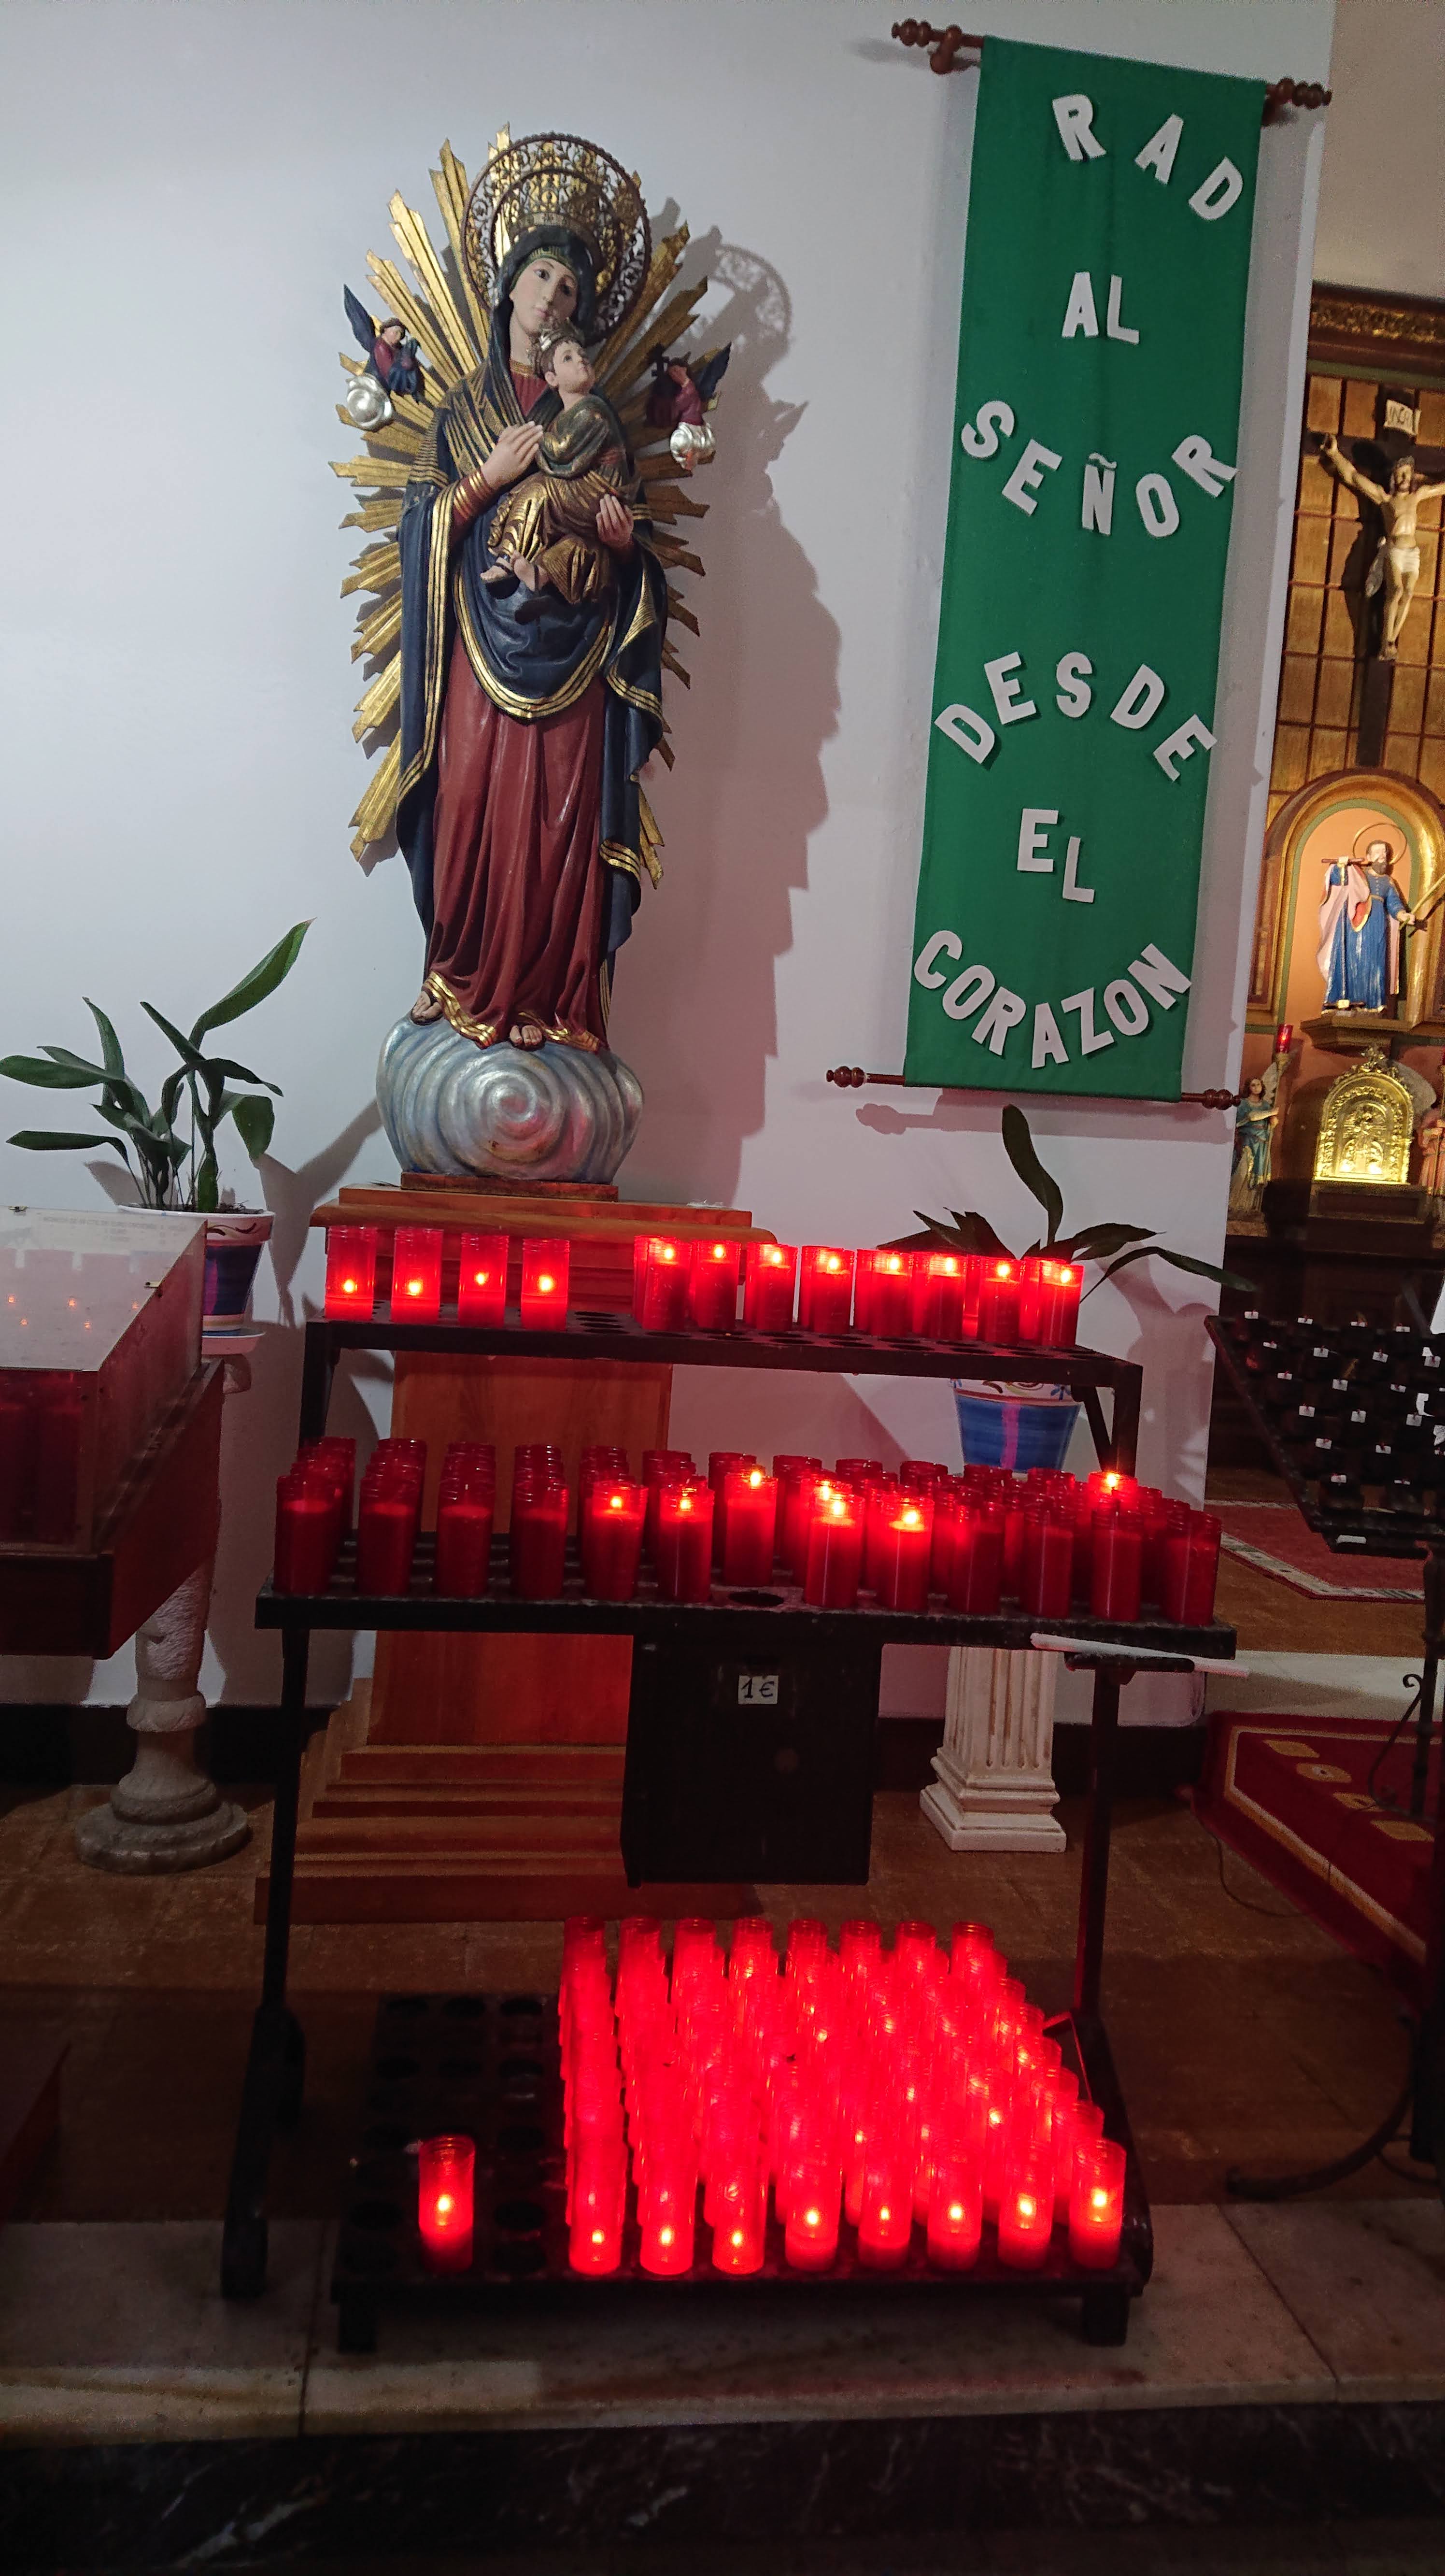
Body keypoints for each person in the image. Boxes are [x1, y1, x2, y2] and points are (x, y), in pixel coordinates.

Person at [395, 164, 666, 1055]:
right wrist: (485, 481)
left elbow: (634, 548)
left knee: (559, 831)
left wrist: (622, 545)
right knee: (469, 804)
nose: (554, 295)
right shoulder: (461, 411)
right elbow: (419, 532)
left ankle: (549, 999)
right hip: (479, 648)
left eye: (571, 289)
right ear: (511, 284)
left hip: (575, 654)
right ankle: (459, 973)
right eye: (543, 274)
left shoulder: (591, 415)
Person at [480, 328, 634, 607]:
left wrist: (530, 440)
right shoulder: (564, 416)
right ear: (552, 379)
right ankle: (541, 574)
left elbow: (562, 454)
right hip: (587, 496)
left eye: (583, 355)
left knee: (539, 490)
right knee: (577, 543)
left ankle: (507, 558)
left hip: (601, 493)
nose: (581, 360)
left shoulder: (592, 410)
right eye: (568, 358)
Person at [1318, 436, 1445, 659]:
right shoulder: (1385, 499)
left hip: (1412, 553)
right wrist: (1335, 454)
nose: (1404, 478)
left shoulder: (1417, 496)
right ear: (1393, 478)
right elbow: (1352, 477)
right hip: (1395, 551)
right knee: (1396, 591)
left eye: (1407, 474)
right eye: (1400, 474)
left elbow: (1441, 488)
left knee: (1408, 594)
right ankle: (1386, 640)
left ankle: (1390, 641)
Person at [1317, 835, 1417, 1014]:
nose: (1382, 856)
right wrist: (1341, 865)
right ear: (1369, 857)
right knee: (1351, 960)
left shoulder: (1388, 882)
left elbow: (1394, 904)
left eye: (1385, 853)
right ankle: (1344, 1001)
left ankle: (1372, 1005)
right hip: (1354, 925)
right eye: (1378, 853)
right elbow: (1336, 879)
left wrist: (1404, 915)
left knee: (1375, 963)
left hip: (1377, 925)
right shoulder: (1358, 875)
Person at [1228, 1076, 1277, 1217]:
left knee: (1255, 1177)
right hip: (1247, 1142)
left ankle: (1247, 1207)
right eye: (1253, 1085)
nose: (1256, 1087)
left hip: (1261, 1144)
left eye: (1259, 1085)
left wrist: (1273, 1123)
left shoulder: (1265, 1105)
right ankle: (1233, 1204)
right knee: (1243, 1172)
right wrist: (1272, 1112)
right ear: (1248, 1088)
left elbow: (1268, 1127)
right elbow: (1252, 1117)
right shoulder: (1244, 1104)